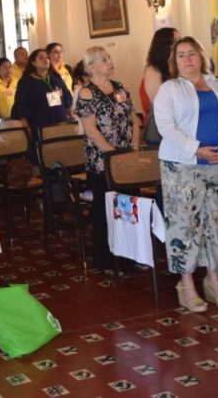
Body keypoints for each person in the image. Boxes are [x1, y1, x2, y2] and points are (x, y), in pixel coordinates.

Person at [153, 37, 218, 312]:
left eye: (192, 53)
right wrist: (196, 149)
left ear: (201, 56)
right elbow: (165, 127)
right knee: (185, 226)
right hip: (182, 166)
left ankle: (214, 282)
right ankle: (187, 285)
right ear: (174, 62)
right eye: (181, 55)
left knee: (215, 224)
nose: (187, 59)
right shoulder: (169, 89)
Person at [74, 47, 140, 271]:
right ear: (91, 67)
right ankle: (107, 259)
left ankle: (131, 257)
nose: (110, 62)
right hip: (103, 160)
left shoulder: (120, 87)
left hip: (125, 157)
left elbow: (134, 120)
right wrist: (114, 155)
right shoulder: (86, 93)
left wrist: (133, 149)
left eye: (109, 57)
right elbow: (91, 130)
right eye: (104, 59)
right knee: (106, 210)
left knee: (129, 208)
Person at [11, 48, 73, 151]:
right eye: (41, 58)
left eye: (47, 58)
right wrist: (26, 128)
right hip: (39, 124)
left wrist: (71, 118)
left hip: (60, 121)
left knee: (63, 152)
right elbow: (22, 107)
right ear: (34, 63)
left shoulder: (55, 77)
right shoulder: (25, 82)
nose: (46, 60)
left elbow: (67, 98)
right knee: (44, 154)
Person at [140, 27, 180, 121]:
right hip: (161, 121)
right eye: (175, 41)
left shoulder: (178, 65)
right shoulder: (153, 70)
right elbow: (159, 104)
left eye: (180, 40)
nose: (180, 44)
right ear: (164, 45)